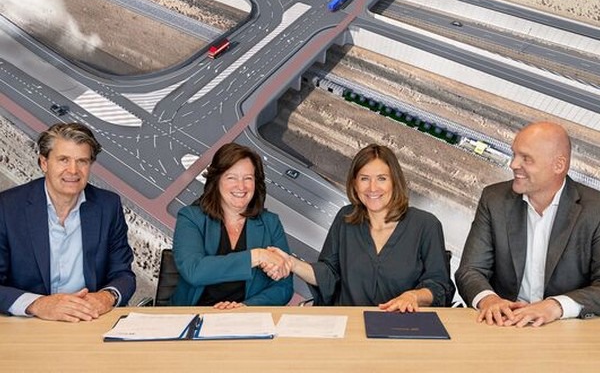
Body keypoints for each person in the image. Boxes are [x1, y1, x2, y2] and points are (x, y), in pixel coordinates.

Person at [269, 144, 455, 311]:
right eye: (364, 179)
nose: (372, 188)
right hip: (348, 326)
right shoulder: (345, 218)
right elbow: (329, 274)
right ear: (355, 184)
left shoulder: (426, 225)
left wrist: (413, 296)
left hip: (401, 327)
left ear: (395, 182)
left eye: (381, 178)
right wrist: (291, 263)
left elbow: (439, 286)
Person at [456, 121, 600, 327]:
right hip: (505, 325)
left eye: (526, 158)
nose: (513, 164)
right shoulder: (494, 199)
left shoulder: (595, 210)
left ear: (558, 165)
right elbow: (470, 270)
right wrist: (489, 300)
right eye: (514, 154)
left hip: (565, 328)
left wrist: (555, 306)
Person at [0, 123, 136, 322]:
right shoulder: (7, 207)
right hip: (30, 323)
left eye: (82, 161)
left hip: (89, 320)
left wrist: (106, 297)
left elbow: (123, 274)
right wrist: (37, 304)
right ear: (44, 162)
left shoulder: (108, 206)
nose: (73, 170)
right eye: (63, 160)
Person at [170, 143, 293, 308]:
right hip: (194, 314)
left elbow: (284, 287)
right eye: (231, 178)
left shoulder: (271, 223)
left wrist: (246, 307)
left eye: (248, 178)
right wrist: (256, 256)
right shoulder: (191, 217)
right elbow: (194, 271)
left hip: (246, 317)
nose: (241, 186)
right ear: (217, 180)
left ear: (256, 183)